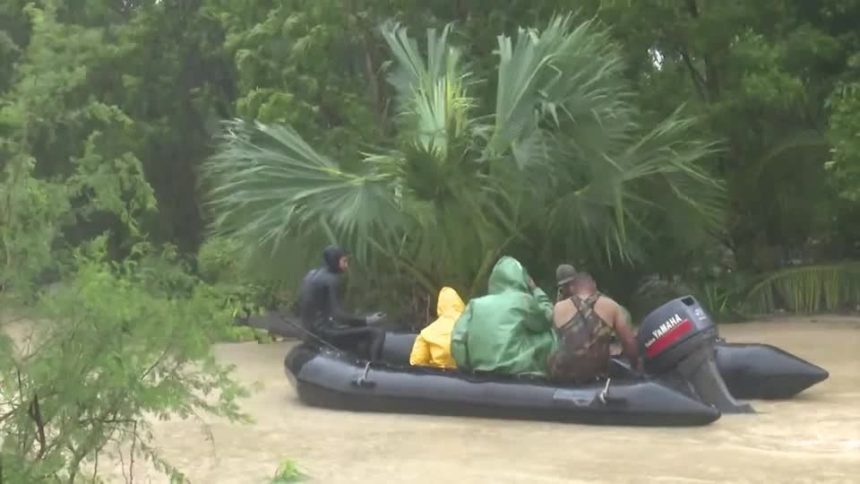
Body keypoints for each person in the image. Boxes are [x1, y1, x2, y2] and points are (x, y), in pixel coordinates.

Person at [450, 256, 556, 376]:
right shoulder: (522, 300)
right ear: (521, 279)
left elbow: (457, 341)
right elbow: (547, 319)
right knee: (550, 334)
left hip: (479, 369)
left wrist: (466, 368)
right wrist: (536, 289)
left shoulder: (475, 304)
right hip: (515, 369)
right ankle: (548, 373)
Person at [547, 264, 640, 384]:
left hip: (565, 379)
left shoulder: (558, 308)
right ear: (594, 285)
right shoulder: (611, 305)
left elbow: (553, 344)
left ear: (572, 288)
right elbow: (629, 343)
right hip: (598, 377)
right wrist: (636, 367)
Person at [297, 245, 386, 360]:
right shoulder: (332, 279)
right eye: (344, 261)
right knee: (376, 333)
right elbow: (338, 315)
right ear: (335, 261)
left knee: (350, 331)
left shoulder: (311, 274)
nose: (346, 265)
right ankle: (374, 367)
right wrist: (367, 321)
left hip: (309, 333)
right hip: (324, 334)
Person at [409, 287, 465, 369]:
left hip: (439, 376)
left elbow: (417, 362)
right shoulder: (472, 326)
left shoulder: (427, 332)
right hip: (468, 377)